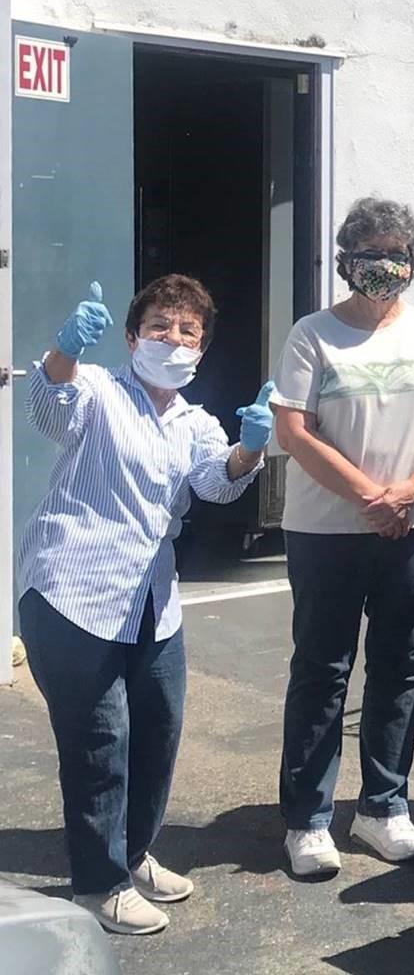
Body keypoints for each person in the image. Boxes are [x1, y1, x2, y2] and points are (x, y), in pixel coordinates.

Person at [18, 275, 273, 935]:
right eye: (160, 325)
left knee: (158, 728)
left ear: (201, 349)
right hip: (72, 593)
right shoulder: (100, 389)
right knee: (101, 742)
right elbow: (50, 409)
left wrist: (252, 446)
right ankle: (96, 885)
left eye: (188, 331)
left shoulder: (194, 421)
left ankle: (130, 855)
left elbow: (217, 483)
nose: (174, 338)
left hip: (152, 602)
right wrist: (62, 351)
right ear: (132, 337)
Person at [270, 198, 414, 878]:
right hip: (326, 529)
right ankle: (307, 819)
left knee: (398, 665)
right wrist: (370, 495)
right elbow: (294, 430)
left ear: (413, 264)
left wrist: (410, 494)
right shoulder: (312, 333)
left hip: (412, 528)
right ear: (345, 260)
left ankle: (383, 806)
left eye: (398, 254)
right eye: (371, 252)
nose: (385, 265)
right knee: (323, 670)